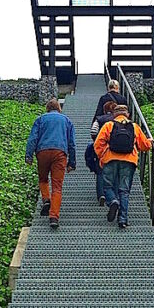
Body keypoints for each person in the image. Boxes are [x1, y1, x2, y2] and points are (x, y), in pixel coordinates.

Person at [93, 105, 152, 229]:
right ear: (128, 114)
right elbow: (144, 146)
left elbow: (98, 143)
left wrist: (103, 156)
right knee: (124, 190)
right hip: (129, 161)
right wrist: (149, 142)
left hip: (111, 159)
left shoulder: (109, 125)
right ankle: (122, 219)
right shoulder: (134, 126)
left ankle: (113, 201)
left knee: (107, 186)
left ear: (114, 114)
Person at [25, 98, 76, 228]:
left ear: (47, 108)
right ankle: (54, 217)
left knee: (43, 179)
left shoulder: (40, 119)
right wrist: (72, 162)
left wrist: (29, 156)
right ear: (59, 108)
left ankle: (46, 199)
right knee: (57, 186)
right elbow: (72, 143)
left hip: (42, 152)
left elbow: (33, 138)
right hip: (60, 153)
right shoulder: (67, 121)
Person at [88, 101, 130, 206]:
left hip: (103, 150)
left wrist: (98, 149)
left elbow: (93, 132)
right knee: (116, 176)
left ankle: (101, 195)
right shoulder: (125, 123)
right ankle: (116, 199)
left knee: (100, 172)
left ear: (104, 109)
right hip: (123, 154)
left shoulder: (101, 119)